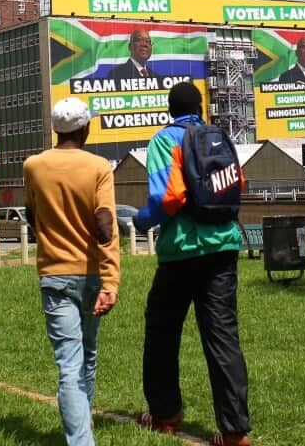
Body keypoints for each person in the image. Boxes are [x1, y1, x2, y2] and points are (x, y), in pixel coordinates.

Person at [134, 82, 251, 446]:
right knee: (222, 337)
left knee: (162, 332)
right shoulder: (216, 137)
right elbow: (237, 185)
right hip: (223, 248)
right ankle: (234, 432)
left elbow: (165, 199)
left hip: (181, 251)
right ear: (201, 107)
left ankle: (166, 415)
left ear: (169, 110)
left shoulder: (164, 141)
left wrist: (140, 222)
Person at [23, 97, 121, 446]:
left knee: (69, 362)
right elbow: (106, 226)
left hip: (54, 274)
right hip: (92, 275)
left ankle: (81, 434)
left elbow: (32, 214)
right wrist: (110, 281)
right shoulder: (99, 167)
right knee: (88, 356)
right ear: (84, 128)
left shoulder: (33, 165)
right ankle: (81, 438)